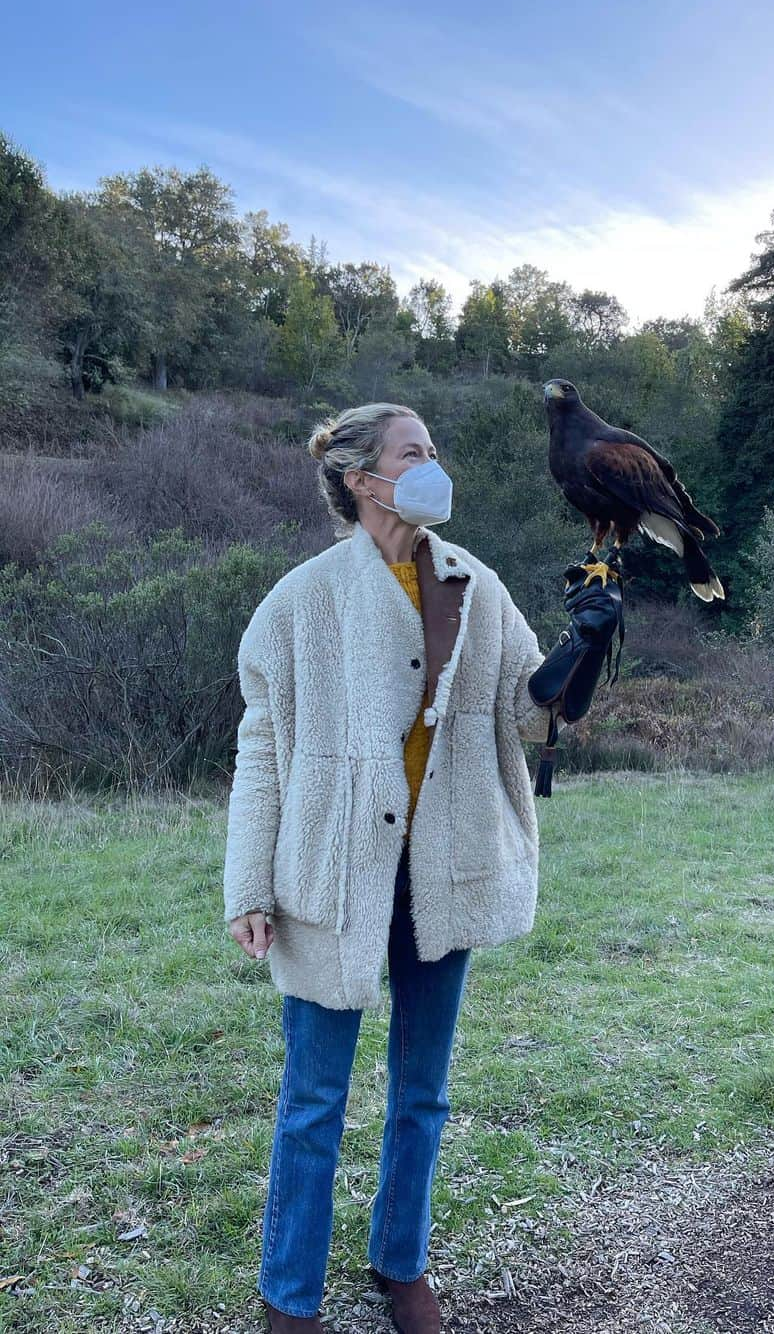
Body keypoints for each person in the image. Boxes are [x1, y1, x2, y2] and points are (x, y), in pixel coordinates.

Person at [222, 402, 566, 1334]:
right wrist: (248, 886)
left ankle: (400, 1264)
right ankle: (289, 1295)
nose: (433, 466)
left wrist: (583, 650)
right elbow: (261, 752)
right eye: (415, 453)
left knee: (424, 1089)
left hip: (441, 868)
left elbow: (529, 700)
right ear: (361, 478)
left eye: (434, 450)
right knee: (312, 1101)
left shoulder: (474, 584)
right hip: (331, 873)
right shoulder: (299, 601)